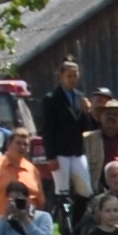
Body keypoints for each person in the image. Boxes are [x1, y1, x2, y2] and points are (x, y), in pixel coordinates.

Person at [43, 61, 99, 213]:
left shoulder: (79, 97)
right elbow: (48, 129)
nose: (73, 79)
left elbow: (85, 127)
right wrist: (51, 156)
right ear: (61, 76)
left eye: (75, 76)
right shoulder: (52, 98)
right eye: (69, 76)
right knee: (62, 191)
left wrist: (87, 112)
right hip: (60, 151)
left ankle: (78, 220)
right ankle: (64, 224)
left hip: (77, 150)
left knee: (85, 189)